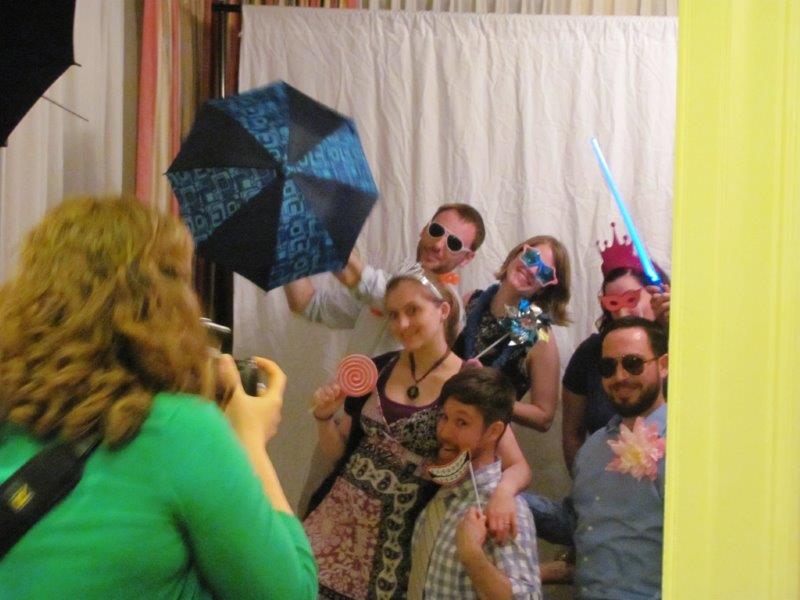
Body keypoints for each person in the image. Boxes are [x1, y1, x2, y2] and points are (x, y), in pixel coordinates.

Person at [0, 197, 316, 598]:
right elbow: (291, 592)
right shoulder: (178, 429)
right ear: (164, 299)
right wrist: (249, 441)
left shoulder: (10, 409)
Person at [303, 266, 531, 599]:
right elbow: (341, 455)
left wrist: (503, 494)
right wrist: (323, 418)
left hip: (399, 543)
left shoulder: (467, 383)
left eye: (413, 310)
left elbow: (518, 465)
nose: (402, 324)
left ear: (443, 310)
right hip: (335, 523)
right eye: (394, 314)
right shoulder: (378, 368)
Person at [526, 316, 668, 599]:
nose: (620, 377)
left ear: (663, 365)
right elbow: (576, 523)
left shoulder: (687, 446)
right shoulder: (593, 448)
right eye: (608, 367)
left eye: (633, 363)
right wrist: (507, 496)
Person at [284, 203, 485, 357]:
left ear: (467, 258)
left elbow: (359, 279)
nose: (438, 245)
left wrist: (312, 225)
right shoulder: (394, 280)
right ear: (424, 229)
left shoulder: (447, 305)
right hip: (347, 397)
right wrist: (285, 246)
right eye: (437, 231)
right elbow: (309, 304)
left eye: (454, 243)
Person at [409, 368, 542, 600]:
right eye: (444, 417)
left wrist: (472, 555)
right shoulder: (443, 496)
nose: (445, 432)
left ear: (493, 431)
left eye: (462, 422)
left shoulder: (505, 512)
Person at [561, 225, 670, 470]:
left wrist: (681, 330)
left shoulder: (687, 346)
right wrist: (585, 481)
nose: (622, 313)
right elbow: (572, 433)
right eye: (613, 303)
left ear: (656, 292)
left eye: (631, 299)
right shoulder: (591, 352)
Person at [454, 235, 571, 431]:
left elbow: (544, 417)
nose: (532, 270)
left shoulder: (540, 336)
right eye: (531, 258)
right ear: (517, 254)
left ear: (546, 287)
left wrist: (488, 396)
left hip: (483, 436)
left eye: (544, 272)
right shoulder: (470, 301)